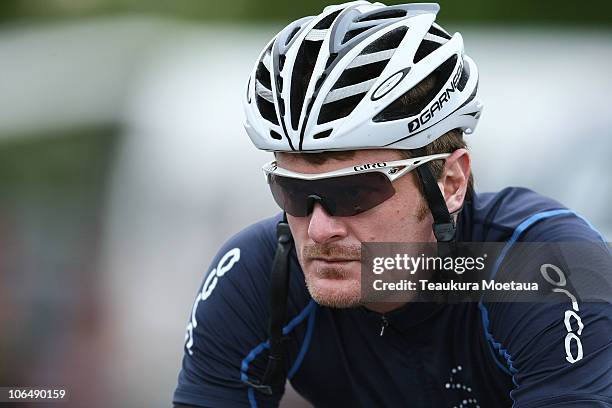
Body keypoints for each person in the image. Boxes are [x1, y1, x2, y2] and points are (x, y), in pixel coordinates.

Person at [173, 2, 612, 407]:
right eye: (292, 192)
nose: (320, 229)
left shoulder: (541, 268)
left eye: (354, 193)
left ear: (450, 182)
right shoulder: (258, 274)